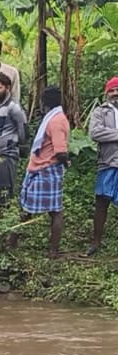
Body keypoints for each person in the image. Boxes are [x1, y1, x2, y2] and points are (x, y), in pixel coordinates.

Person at [20, 86, 71, 258]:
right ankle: (13, 242)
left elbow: (60, 151)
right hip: (39, 167)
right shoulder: (55, 117)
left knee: (54, 210)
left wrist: (66, 162)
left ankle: (52, 250)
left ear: (43, 102)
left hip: (47, 169)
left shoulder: (55, 121)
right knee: (29, 207)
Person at [87, 77, 118, 256]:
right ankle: (96, 242)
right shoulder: (100, 111)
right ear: (106, 93)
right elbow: (95, 132)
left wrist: (110, 134)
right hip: (107, 162)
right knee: (101, 201)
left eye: (117, 90)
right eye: (111, 90)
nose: (115, 93)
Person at [0, 74, 28, 206]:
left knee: (3, 191)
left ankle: (5, 214)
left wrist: (21, 148)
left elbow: (23, 129)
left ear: (8, 88)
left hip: (6, 155)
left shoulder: (14, 107)